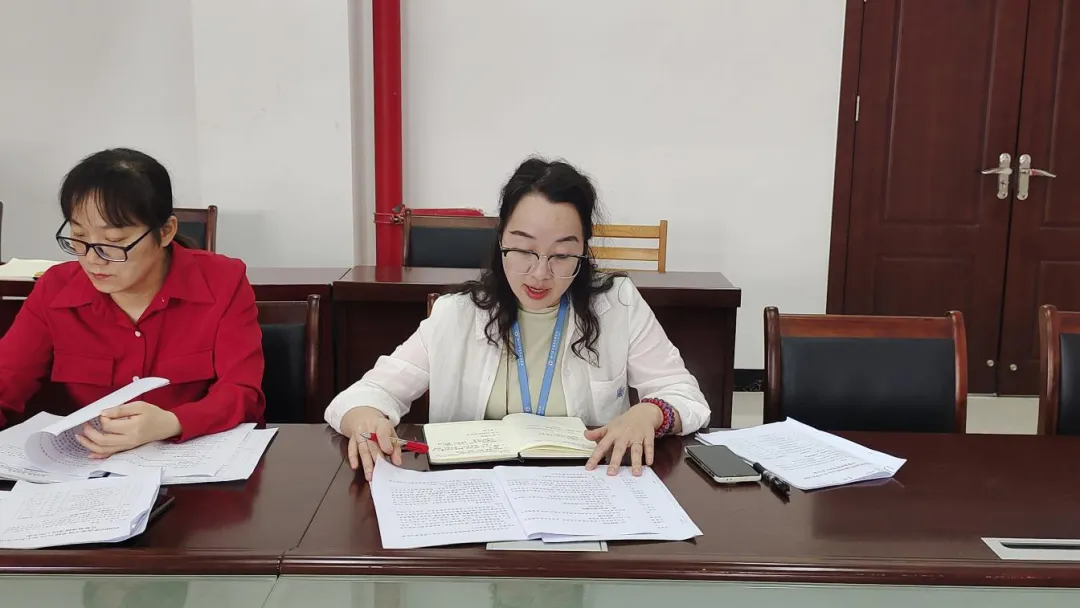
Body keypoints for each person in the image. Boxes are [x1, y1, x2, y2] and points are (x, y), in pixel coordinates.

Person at [326, 157, 710, 481]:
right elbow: (364, 394)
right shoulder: (457, 314)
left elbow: (686, 396)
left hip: (587, 489)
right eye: (524, 250)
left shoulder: (618, 305)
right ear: (501, 242)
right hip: (476, 493)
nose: (540, 274)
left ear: (584, 250)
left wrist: (650, 412)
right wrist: (364, 417)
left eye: (562, 255)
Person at [0, 148, 265, 454]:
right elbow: (6, 380)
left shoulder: (223, 281)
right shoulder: (54, 289)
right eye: (79, 236)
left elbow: (242, 392)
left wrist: (173, 422)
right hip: (84, 466)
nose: (92, 259)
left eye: (113, 242)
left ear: (165, 232)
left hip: (190, 466)